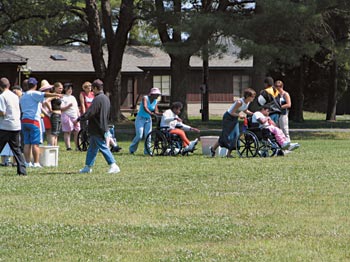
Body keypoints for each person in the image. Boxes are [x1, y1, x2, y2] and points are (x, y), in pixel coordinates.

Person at [77, 79, 120, 174]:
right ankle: (88, 167)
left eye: (93, 88)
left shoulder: (97, 99)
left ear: (96, 88)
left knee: (102, 146)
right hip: (102, 125)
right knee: (92, 148)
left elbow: (91, 112)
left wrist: (81, 118)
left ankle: (113, 165)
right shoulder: (105, 98)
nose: (92, 91)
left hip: (97, 126)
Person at [20, 77, 62, 168]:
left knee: (27, 143)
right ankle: (36, 163)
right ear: (35, 85)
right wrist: (56, 95)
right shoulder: (34, 93)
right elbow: (45, 94)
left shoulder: (23, 95)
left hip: (24, 120)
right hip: (33, 121)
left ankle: (27, 162)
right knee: (35, 143)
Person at [210, 88, 256, 158]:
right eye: (252, 96)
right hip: (228, 118)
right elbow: (232, 112)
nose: (253, 98)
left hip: (234, 118)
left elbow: (245, 110)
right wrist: (239, 115)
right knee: (226, 136)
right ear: (247, 96)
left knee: (235, 135)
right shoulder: (239, 102)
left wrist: (253, 114)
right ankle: (213, 148)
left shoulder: (248, 102)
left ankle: (228, 154)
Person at [0, 77, 27, 175]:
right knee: (17, 149)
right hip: (16, 125)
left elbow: (2, 112)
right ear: (9, 85)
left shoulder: (2, 96)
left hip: (5, 126)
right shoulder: (15, 96)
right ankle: (22, 170)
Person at [129, 87, 162, 154]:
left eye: (158, 94)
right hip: (140, 119)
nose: (158, 96)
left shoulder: (155, 101)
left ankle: (147, 151)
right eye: (156, 94)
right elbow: (145, 107)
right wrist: (151, 113)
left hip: (148, 120)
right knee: (139, 135)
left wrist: (162, 114)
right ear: (152, 94)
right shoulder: (145, 98)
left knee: (148, 136)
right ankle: (132, 149)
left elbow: (156, 111)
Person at [61, 83, 80, 150]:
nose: (70, 90)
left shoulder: (73, 97)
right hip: (67, 115)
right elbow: (61, 108)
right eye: (68, 89)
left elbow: (76, 107)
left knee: (77, 131)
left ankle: (77, 146)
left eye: (71, 89)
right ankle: (68, 147)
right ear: (65, 89)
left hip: (75, 116)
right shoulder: (63, 97)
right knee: (67, 131)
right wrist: (68, 106)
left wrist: (78, 115)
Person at [45, 82, 63, 146]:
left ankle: (55, 148)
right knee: (54, 133)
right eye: (59, 88)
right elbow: (46, 101)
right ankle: (52, 147)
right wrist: (50, 109)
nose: (61, 90)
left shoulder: (58, 96)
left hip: (59, 115)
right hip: (55, 115)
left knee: (57, 133)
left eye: (62, 88)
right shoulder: (54, 95)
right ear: (55, 88)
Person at [39, 80, 53, 144]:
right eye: (46, 89)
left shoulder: (51, 96)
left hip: (51, 114)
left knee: (50, 131)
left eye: (48, 89)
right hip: (44, 115)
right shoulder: (41, 97)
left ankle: (50, 144)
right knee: (45, 131)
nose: (48, 90)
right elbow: (41, 107)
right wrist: (47, 114)